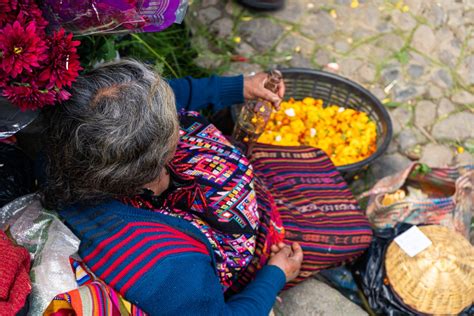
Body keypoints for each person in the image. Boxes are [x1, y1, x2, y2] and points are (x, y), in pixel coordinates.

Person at [42, 59, 372, 315]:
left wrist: (239, 86)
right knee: (352, 232)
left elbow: (165, 94)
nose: (181, 116)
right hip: (247, 257)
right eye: (173, 122)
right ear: (162, 156)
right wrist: (274, 276)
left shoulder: (69, 135)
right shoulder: (168, 271)